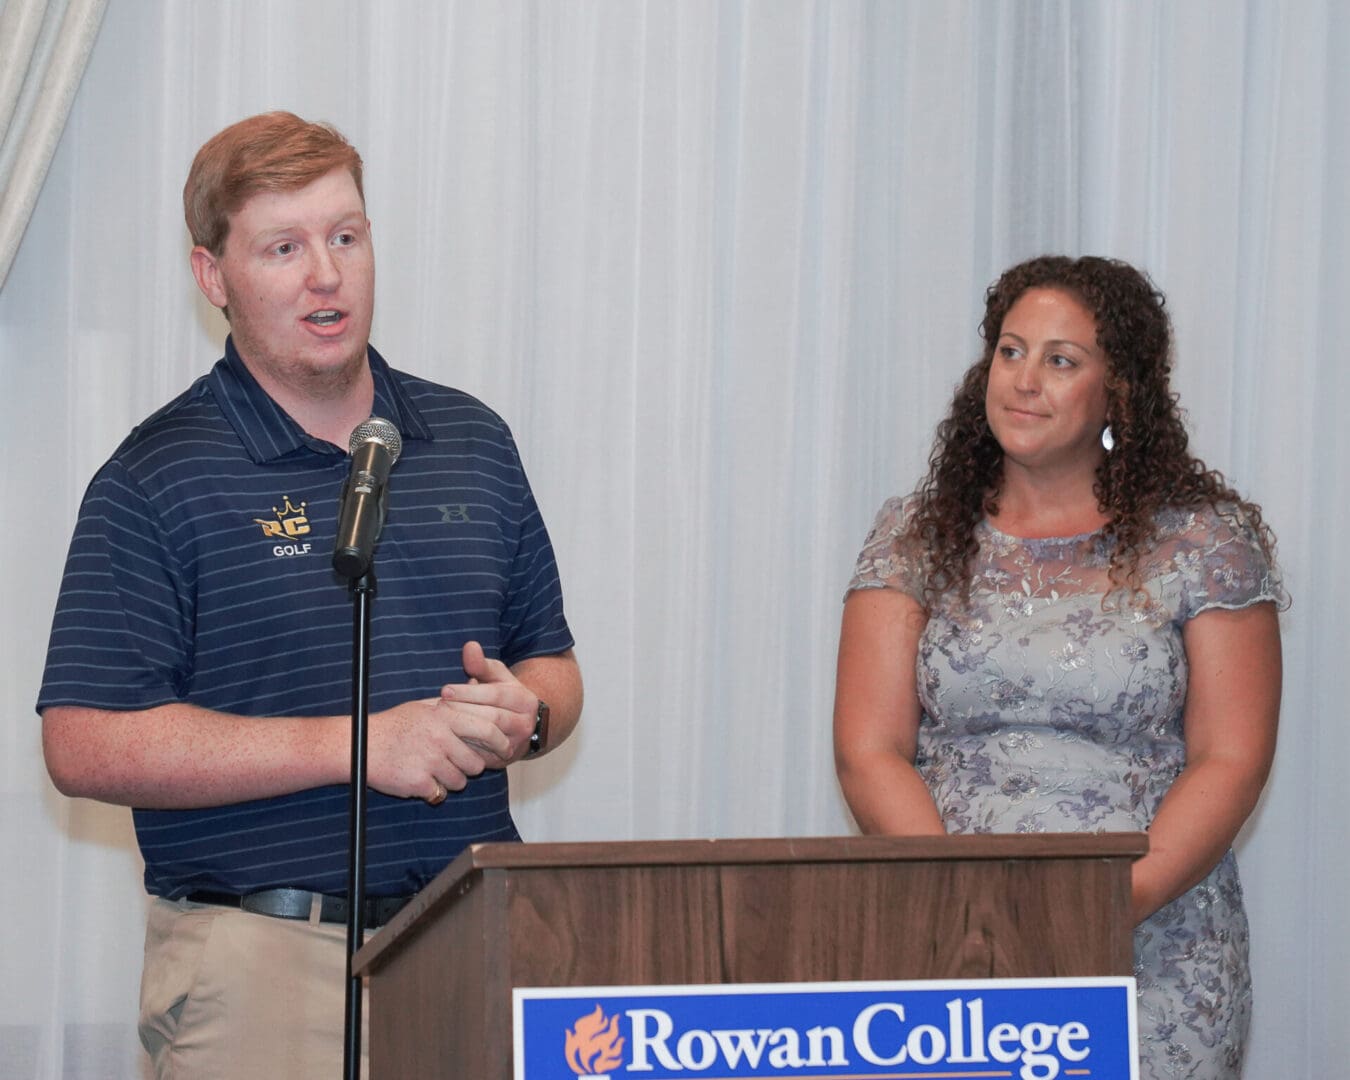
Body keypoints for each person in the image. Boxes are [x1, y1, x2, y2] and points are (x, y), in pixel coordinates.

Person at [38, 111, 583, 1077]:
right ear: (214, 278)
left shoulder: (471, 440)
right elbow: (84, 742)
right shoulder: (156, 478)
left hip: (474, 932)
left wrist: (526, 717)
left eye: (345, 236)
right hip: (262, 965)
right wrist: (359, 747)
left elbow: (552, 666)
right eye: (284, 247)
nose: (325, 275)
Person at [833, 254, 1284, 1079]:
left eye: (1060, 360)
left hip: (1150, 942)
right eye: (1010, 351)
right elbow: (869, 750)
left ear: (1119, 393)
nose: (1024, 380)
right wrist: (965, 911)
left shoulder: (1203, 542)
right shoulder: (912, 533)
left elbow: (1233, 758)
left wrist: (1098, 909)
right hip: (950, 949)